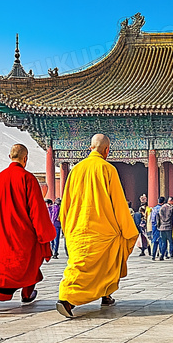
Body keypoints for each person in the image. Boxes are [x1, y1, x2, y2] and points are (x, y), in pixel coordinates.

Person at [56, 134, 139, 318]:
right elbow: (118, 203)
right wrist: (128, 229)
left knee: (81, 264)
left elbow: (66, 204)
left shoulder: (76, 170)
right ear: (107, 150)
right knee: (105, 264)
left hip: (78, 229)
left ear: (90, 147)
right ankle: (67, 298)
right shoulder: (108, 169)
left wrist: (68, 226)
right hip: (103, 232)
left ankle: (104, 294)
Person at [0, 144, 56, 314]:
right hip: (23, 233)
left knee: (3, 266)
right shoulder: (28, 178)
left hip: (3, 232)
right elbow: (36, 209)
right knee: (27, 262)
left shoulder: (0, 179)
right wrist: (44, 233)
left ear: (9, 156)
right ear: (25, 159)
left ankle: (25, 293)